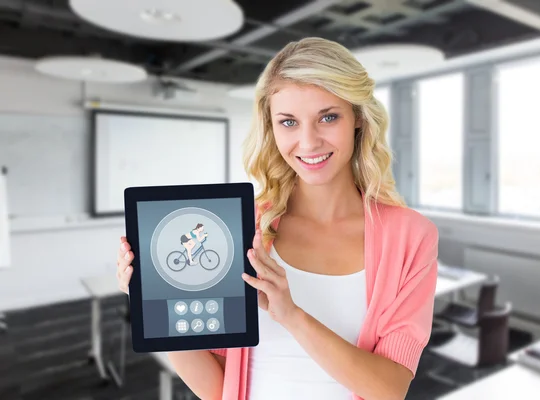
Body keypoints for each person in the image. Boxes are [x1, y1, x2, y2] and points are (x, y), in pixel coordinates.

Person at [116, 37, 438, 400]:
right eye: (288, 122)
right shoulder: (241, 227)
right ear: (271, 128)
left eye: (328, 117)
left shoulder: (411, 237)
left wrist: (291, 314)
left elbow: (390, 389)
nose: (308, 141)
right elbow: (217, 389)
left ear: (359, 119)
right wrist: (154, 304)